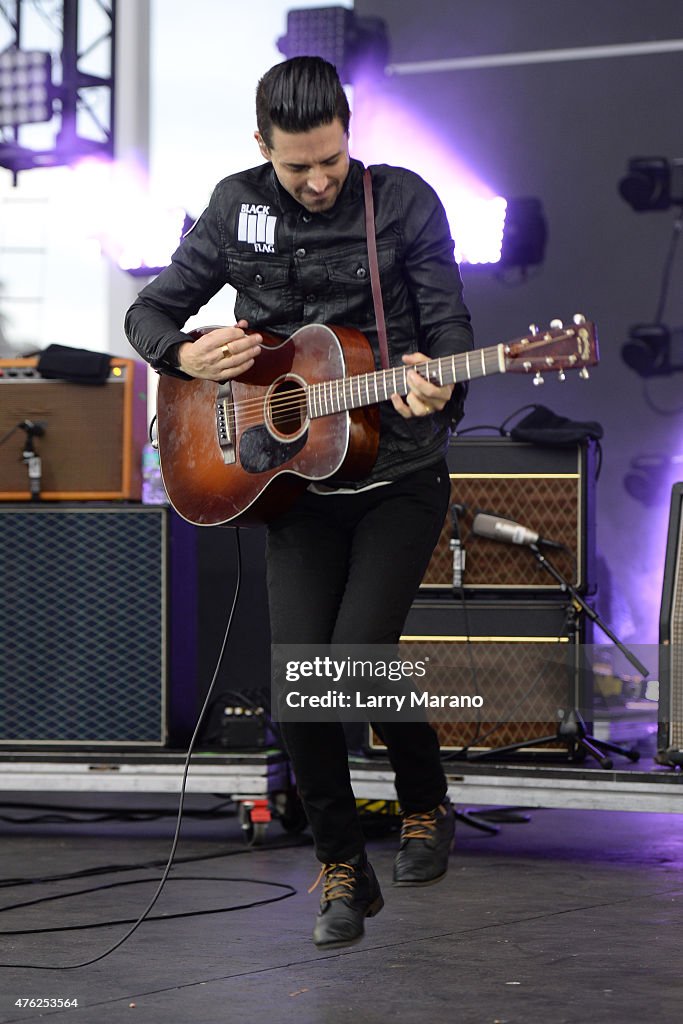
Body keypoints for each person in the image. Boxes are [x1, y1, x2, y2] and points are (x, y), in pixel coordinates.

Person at [125, 55, 474, 949]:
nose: (318, 181)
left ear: (349, 135)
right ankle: (341, 867)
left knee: (353, 656)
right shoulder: (234, 204)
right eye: (296, 167)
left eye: (330, 159)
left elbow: (448, 331)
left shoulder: (400, 201)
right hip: (290, 484)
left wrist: (440, 385)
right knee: (297, 693)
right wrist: (181, 355)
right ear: (261, 149)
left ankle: (424, 799)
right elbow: (151, 313)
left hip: (396, 472)